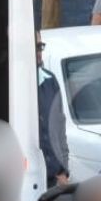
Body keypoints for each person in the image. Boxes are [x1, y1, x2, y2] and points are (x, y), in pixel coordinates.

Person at [35, 34, 70, 187]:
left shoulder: (50, 80)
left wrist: (64, 170)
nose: (38, 52)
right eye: (33, 47)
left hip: (54, 178)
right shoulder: (9, 85)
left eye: (39, 47)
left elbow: (59, 127)